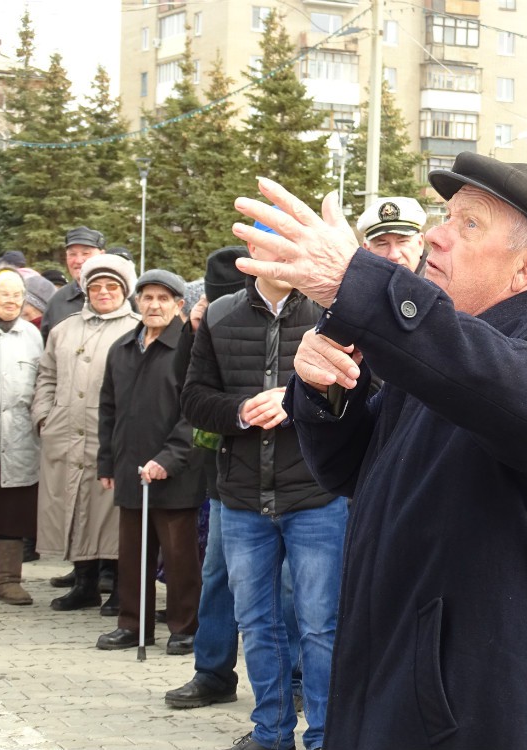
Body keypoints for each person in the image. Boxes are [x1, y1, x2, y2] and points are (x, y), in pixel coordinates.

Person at [244, 152, 527, 749]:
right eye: (445, 216)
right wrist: (325, 390)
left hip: (475, 715)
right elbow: (354, 472)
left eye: (468, 224)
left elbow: (515, 399)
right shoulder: (444, 352)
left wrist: (358, 283)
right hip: (397, 686)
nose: (436, 236)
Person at [181, 229, 346, 750]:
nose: (277, 258)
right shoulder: (219, 314)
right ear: (251, 256)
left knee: (320, 625)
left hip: (316, 495)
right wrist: (238, 411)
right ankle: (270, 733)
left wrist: (297, 401)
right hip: (243, 498)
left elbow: (363, 390)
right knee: (256, 624)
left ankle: (323, 736)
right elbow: (192, 399)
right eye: (265, 248)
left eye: (284, 247)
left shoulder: (331, 311)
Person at [165, 245, 306, 714]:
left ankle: (295, 679)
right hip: (226, 471)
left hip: (296, 479)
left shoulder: (313, 312)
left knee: (287, 587)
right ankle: (213, 671)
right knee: (219, 576)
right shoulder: (214, 321)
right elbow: (189, 388)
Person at [95, 269, 204, 654]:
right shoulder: (122, 348)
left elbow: (193, 414)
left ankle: (184, 627)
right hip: (130, 469)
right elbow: (108, 409)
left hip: (175, 472)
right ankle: (132, 625)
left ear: (178, 305)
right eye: (147, 297)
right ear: (137, 302)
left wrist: (168, 459)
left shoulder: (189, 348)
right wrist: (107, 463)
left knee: (179, 559)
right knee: (133, 555)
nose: (154, 305)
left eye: (163, 299)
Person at [31, 254, 140, 612]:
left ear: (123, 290)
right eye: (96, 287)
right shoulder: (64, 329)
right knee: (73, 505)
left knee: (110, 511)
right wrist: (44, 417)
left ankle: (120, 587)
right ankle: (84, 583)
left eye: (111, 287)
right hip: (64, 432)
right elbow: (46, 376)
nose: (103, 293)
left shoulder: (137, 328)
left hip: (109, 434)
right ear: (85, 291)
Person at [0, 267, 43, 605]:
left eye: (16, 294)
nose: (10, 300)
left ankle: (8, 580)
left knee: (11, 511)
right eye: (3, 293)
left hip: (20, 435)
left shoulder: (32, 335)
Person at [40, 226, 106, 342]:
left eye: (86, 253)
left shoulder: (121, 297)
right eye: (72, 254)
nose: (78, 260)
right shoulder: (57, 301)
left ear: (102, 255)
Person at [356, 196, 428, 273]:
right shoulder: (354, 283)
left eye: (402, 241)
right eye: (382, 244)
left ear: (420, 243)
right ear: (367, 251)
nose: (394, 256)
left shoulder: (440, 283)